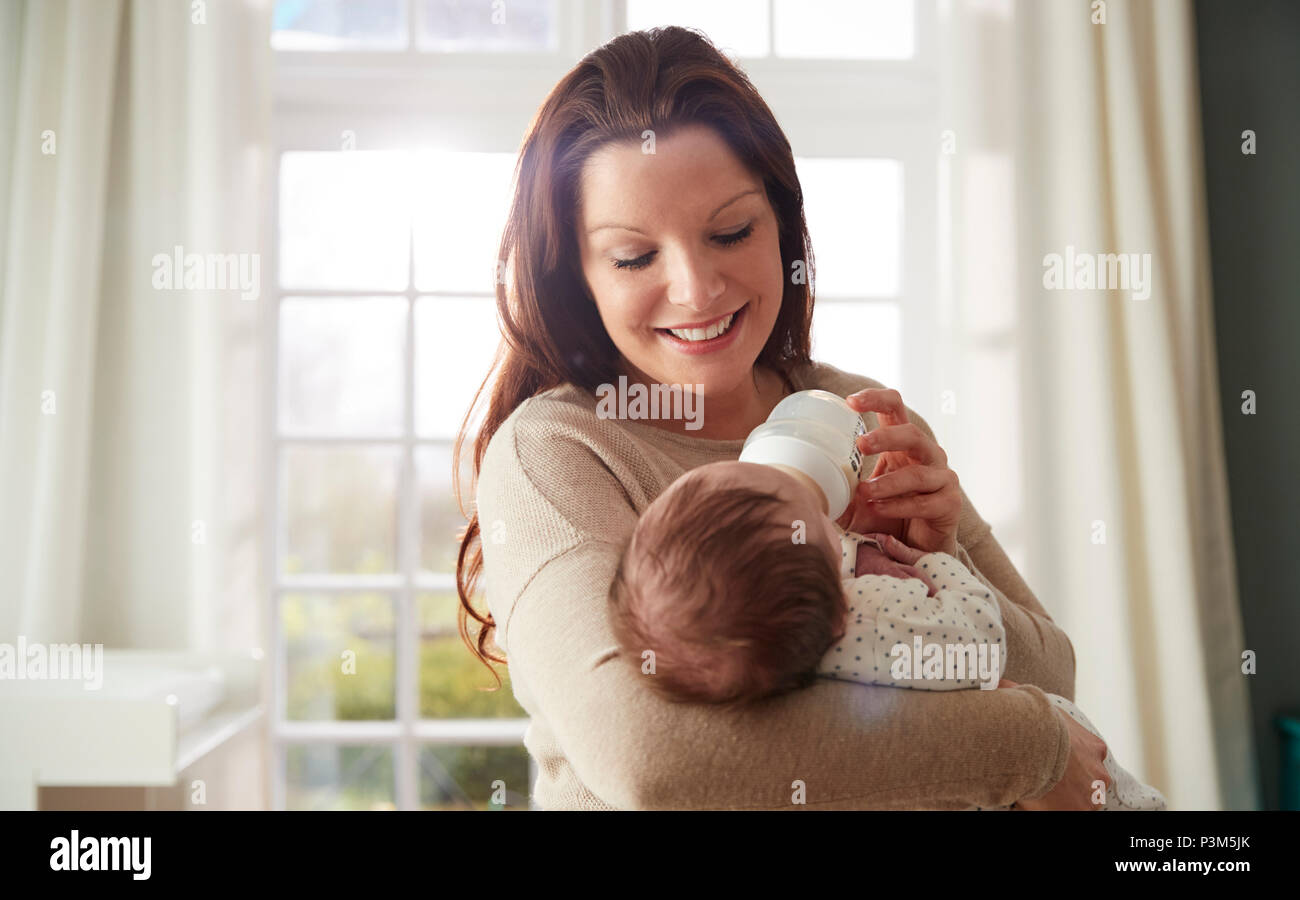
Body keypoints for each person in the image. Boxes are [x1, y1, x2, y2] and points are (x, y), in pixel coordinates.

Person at [454, 26, 1107, 809]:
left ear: (783, 225)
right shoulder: (556, 452)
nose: (697, 290)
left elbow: (1053, 673)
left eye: (731, 232)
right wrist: (1026, 746)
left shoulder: (855, 410)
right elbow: (652, 757)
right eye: (634, 256)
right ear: (578, 277)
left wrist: (938, 565)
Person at [605, 459, 1167, 810]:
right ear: (836, 609)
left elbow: (1054, 663)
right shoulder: (873, 612)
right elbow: (980, 642)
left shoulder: (771, 650)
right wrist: (933, 562)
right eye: (824, 523)